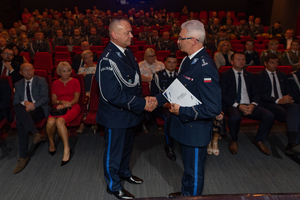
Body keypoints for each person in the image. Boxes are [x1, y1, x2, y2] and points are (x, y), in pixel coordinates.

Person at [153, 20, 221, 197]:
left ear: (193, 40)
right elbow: (177, 87)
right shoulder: (187, 61)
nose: (178, 41)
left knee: (195, 171)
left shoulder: (206, 67)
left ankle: (192, 196)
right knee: (188, 167)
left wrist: (181, 111)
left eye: (181, 38)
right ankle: (186, 194)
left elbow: (213, 108)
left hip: (196, 129)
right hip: (185, 127)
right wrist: (156, 100)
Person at [95, 17, 156, 199]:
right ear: (114, 35)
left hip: (130, 113)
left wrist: (142, 101)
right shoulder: (107, 59)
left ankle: (124, 173)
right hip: (116, 116)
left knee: (127, 147)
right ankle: (113, 186)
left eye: (131, 32)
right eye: (127, 33)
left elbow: (133, 84)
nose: (132, 35)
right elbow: (111, 95)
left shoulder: (126, 52)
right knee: (114, 152)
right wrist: (142, 103)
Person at [220, 52, 275, 155]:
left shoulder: (250, 75)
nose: (241, 61)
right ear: (232, 61)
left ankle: (259, 139)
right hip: (234, 105)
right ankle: (234, 140)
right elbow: (223, 94)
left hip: (249, 105)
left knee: (269, 115)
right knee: (235, 117)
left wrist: (253, 105)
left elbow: (256, 93)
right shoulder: (225, 75)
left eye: (243, 59)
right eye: (238, 59)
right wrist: (238, 105)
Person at [256, 54, 300, 155]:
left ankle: (292, 141)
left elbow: (289, 90)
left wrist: (288, 98)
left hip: (283, 101)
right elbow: (260, 94)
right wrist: (277, 100)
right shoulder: (259, 76)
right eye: (272, 62)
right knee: (289, 114)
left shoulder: (282, 75)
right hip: (269, 103)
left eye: (276, 62)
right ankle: (293, 142)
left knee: (296, 108)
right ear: (265, 63)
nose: (274, 65)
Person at [12, 63, 49, 174]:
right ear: (21, 73)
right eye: (25, 70)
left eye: (30, 69)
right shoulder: (18, 84)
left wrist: (32, 106)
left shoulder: (41, 80)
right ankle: (35, 134)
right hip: (24, 110)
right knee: (18, 109)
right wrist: (25, 103)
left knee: (20, 122)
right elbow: (15, 101)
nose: (29, 72)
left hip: (39, 109)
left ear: (34, 70)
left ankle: (23, 157)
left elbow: (45, 98)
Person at [46, 62, 81, 166]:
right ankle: (51, 142)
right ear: (59, 72)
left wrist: (67, 104)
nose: (66, 73)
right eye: (64, 71)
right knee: (50, 122)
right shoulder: (55, 83)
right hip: (58, 107)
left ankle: (67, 149)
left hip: (73, 106)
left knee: (60, 121)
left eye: (68, 70)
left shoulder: (75, 81)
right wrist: (61, 102)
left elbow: (76, 99)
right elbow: (53, 100)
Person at [150, 55, 178, 160]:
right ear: (165, 63)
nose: (171, 64)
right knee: (169, 116)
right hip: (161, 106)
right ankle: (169, 145)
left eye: (174, 62)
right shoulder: (158, 76)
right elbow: (154, 94)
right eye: (169, 62)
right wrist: (165, 104)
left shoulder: (180, 76)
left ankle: (183, 141)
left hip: (177, 105)